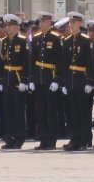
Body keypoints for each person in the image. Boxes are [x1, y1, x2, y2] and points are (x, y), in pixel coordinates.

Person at [29, 11, 63, 150]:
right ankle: (43, 139)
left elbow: (60, 61)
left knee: (51, 111)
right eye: (40, 21)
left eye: (44, 21)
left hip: (50, 78)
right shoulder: (36, 38)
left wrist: (57, 80)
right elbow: (33, 60)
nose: (41, 24)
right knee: (41, 111)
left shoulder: (56, 38)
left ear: (49, 22)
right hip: (39, 78)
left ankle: (52, 140)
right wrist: (31, 78)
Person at [61, 12, 94, 151]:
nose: (71, 25)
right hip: (71, 80)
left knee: (83, 113)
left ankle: (84, 139)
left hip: (82, 79)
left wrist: (89, 82)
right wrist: (64, 83)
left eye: (74, 23)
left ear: (79, 23)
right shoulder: (67, 41)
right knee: (72, 112)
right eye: (70, 23)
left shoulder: (85, 41)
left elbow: (90, 63)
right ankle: (74, 139)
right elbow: (64, 63)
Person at [0, 14, 30, 149]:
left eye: (11, 26)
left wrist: (25, 80)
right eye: (7, 26)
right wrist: (0, 80)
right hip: (7, 78)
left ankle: (19, 138)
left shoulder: (23, 41)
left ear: (17, 27)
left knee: (18, 110)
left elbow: (27, 62)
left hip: (18, 78)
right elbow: (0, 63)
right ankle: (9, 138)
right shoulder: (4, 42)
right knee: (8, 110)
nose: (8, 28)